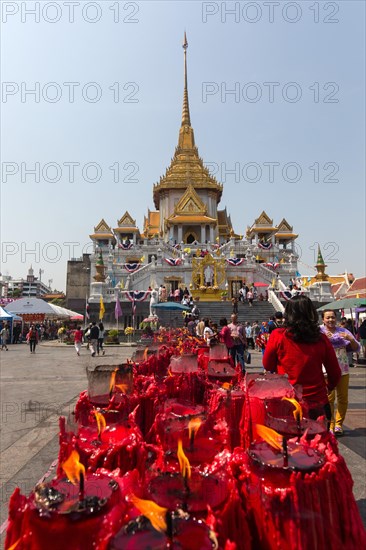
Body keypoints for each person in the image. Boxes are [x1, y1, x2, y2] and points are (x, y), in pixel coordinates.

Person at [263, 296, 341, 424]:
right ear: (311, 313)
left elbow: (268, 365)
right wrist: (329, 387)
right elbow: (335, 373)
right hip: (318, 402)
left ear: (288, 314)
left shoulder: (278, 335)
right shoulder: (321, 339)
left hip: (287, 403)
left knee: (289, 443)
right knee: (319, 443)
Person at [321, 310, 360, 435]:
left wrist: (350, 339)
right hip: (326, 370)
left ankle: (339, 424)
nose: (330, 320)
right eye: (328, 318)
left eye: (333, 317)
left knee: (343, 398)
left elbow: (356, 347)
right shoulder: (319, 332)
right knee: (329, 398)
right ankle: (330, 424)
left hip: (343, 368)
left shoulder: (343, 332)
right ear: (323, 320)